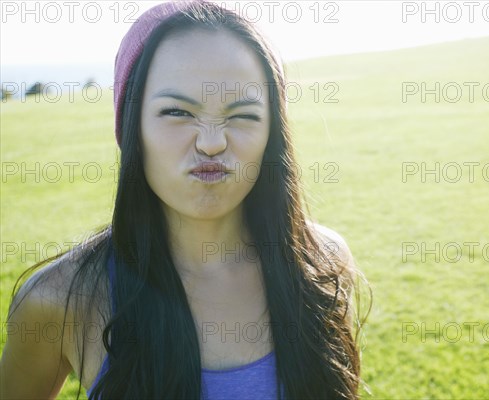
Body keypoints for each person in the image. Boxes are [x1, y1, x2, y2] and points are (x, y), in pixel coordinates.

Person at [0, 1, 370, 399]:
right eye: (177, 111)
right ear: (131, 124)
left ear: (272, 135)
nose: (212, 142)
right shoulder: (60, 299)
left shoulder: (324, 266)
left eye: (243, 115)